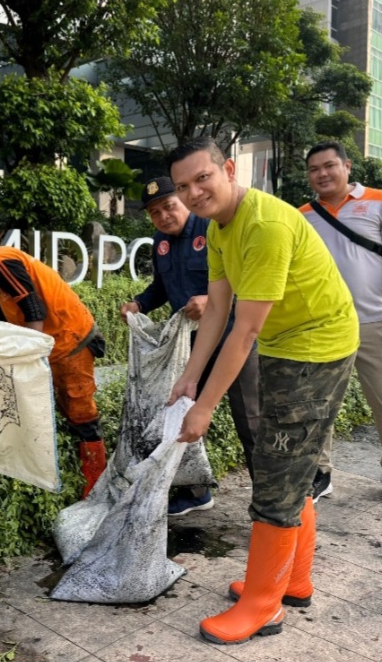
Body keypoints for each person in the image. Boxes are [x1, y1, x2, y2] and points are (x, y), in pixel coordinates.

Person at [167, 138, 358, 645]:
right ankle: (292, 581)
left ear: (228, 169)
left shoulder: (265, 225)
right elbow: (216, 310)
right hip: (289, 346)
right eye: (183, 186)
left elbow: (244, 331)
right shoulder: (220, 226)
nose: (193, 193)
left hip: (317, 348)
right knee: (291, 465)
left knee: (275, 470)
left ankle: (263, 605)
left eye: (202, 178)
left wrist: (203, 408)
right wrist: (190, 376)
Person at [120, 176, 260, 516]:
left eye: (168, 206)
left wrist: (209, 299)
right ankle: (194, 492)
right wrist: (138, 304)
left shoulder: (214, 229)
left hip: (232, 338)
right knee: (182, 413)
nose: (164, 216)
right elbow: (161, 287)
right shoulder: (160, 242)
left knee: (251, 419)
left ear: (183, 199)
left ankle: (268, 498)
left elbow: (249, 284)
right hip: (190, 345)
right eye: (155, 212)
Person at [301, 141, 382, 507]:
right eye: (314, 169)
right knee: (317, 402)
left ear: (347, 166)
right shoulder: (302, 214)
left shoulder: (380, 201)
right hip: (322, 325)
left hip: (375, 321)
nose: (322, 174)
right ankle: (319, 472)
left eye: (329, 166)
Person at [0, 218, 107, 499]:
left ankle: (96, 485)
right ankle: (78, 476)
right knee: (66, 411)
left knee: (82, 414)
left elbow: (33, 309)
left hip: (71, 342)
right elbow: (7, 321)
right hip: (59, 344)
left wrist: (31, 355)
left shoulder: (2, 261)